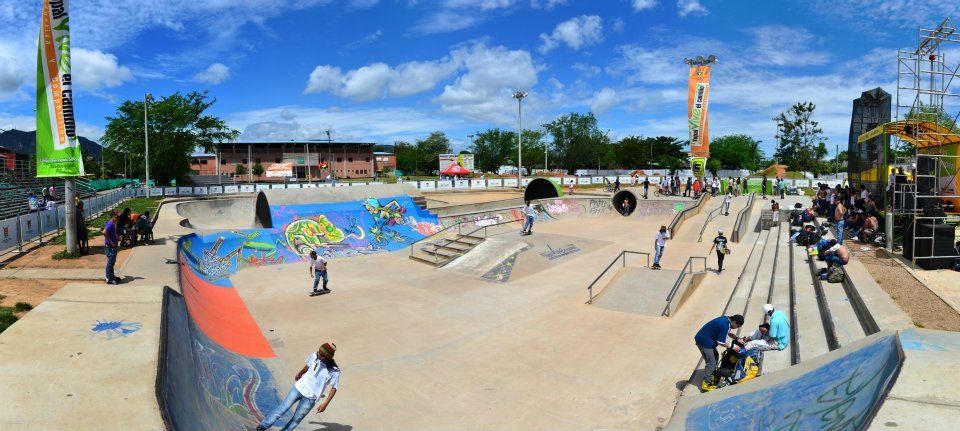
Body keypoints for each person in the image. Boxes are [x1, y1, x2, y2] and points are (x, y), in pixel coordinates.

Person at [257, 343, 340, 431]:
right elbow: (308, 365)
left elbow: (334, 388)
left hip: (310, 398)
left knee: (296, 420)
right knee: (282, 408)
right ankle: (263, 426)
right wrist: (300, 372)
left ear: (328, 357)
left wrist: (325, 404)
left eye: (322, 355)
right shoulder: (315, 355)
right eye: (319, 352)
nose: (319, 355)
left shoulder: (334, 371)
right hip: (299, 388)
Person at [695, 314, 744, 391]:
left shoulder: (727, 320)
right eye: (737, 326)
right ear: (734, 322)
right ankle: (706, 384)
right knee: (711, 362)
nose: (737, 328)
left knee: (715, 356)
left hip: (706, 339)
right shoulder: (725, 325)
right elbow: (721, 342)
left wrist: (736, 338)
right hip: (704, 341)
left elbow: (728, 331)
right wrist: (734, 346)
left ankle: (711, 375)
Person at [103, 212, 121, 285]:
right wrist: (111, 242)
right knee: (110, 263)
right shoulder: (110, 224)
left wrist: (117, 238)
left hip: (113, 246)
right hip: (110, 246)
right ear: (113, 217)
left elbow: (112, 233)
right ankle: (109, 278)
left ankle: (112, 276)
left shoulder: (112, 224)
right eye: (117, 217)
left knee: (112, 262)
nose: (118, 219)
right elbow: (104, 232)